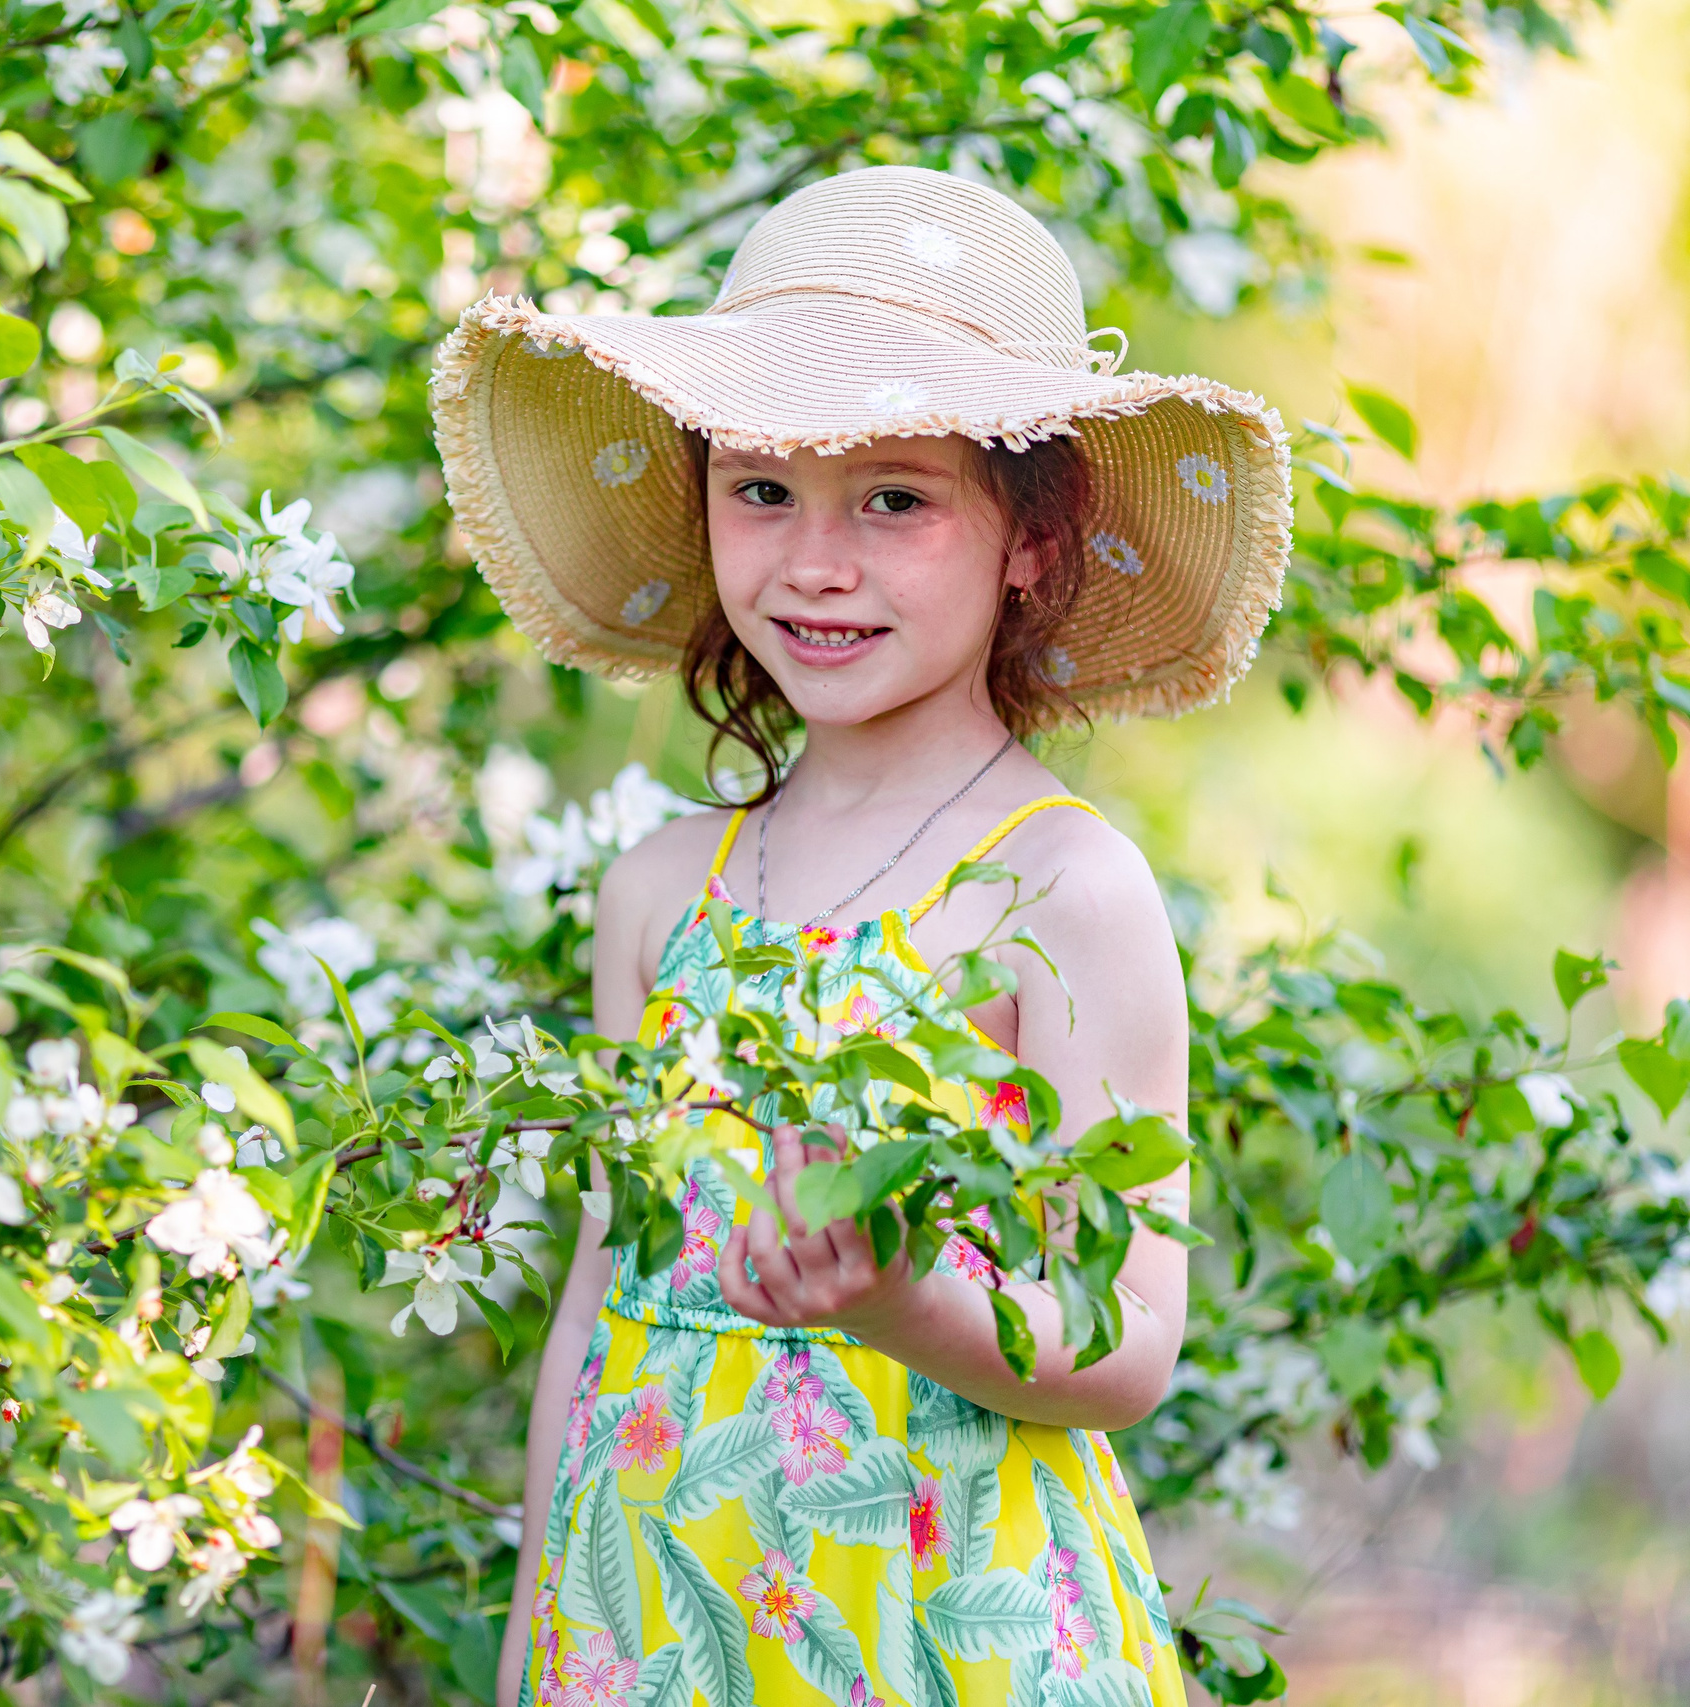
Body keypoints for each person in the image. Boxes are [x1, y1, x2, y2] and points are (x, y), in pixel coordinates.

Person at [430, 166, 1292, 1707]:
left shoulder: (1061, 889)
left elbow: (1132, 1340)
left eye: (896, 498)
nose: (816, 562)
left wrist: (905, 1306)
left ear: (1031, 539)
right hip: (656, 1620)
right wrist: (533, 1649)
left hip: (943, 1621)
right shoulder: (661, 890)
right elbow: (596, 1304)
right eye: (761, 489)